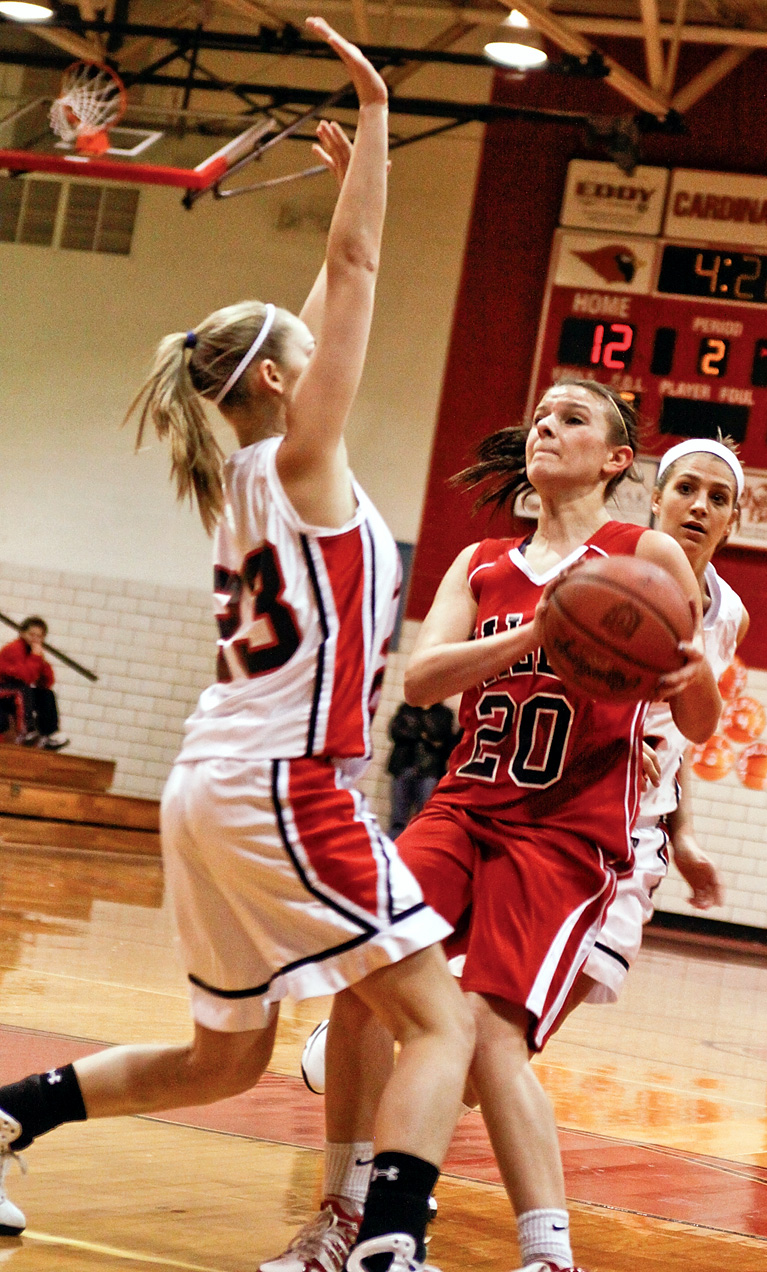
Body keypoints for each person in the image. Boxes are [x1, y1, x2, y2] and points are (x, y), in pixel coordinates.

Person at [0, 22, 474, 1272]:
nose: (329, 362)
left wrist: (331, 211)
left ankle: (5, 1119)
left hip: (216, 784)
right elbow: (358, 269)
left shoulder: (248, 468)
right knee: (440, 1025)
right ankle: (387, 1246)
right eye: (303, 359)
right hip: (282, 786)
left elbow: (316, 305)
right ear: (275, 383)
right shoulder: (302, 464)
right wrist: (376, 119)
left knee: (228, 1057)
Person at [265, 377, 723, 1272]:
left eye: (574, 419)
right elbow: (424, 679)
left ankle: (547, 1253)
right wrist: (537, 633)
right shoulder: (481, 564)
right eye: (541, 417)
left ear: (618, 458)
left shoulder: (649, 557)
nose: (548, 427)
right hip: (463, 807)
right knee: (362, 977)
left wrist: (688, 676)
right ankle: (342, 1215)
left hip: (565, 833)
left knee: (483, 1028)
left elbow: (700, 721)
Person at [572, 437, 748, 1011]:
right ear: (656, 498)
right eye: (686, 489)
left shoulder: (731, 616)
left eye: (717, 498)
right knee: (498, 1014)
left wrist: (684, 835)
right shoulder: (601, 577)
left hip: (639, 831)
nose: (700, 505)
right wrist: (606, 734)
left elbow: (680, 741)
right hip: (567, 802)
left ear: (732, 521)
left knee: (531, 1028)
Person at [387, 700, 456, 837]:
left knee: (424, 817)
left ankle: (415, 853)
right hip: (403, 766)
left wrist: (417, 727)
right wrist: (422, 734)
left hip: (429, 770)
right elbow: (395, 732)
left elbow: (440, 737)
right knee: (398, 819)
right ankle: (392, 852)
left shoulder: (443, 713)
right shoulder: (406, 708)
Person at [0, 617, 69, 750]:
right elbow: (24, 677)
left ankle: (49, 733)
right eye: (31, 634)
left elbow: (47, 682)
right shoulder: (13, 649)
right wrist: (36, 657)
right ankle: (26, 731)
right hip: (3, 690)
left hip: (15, 692)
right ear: (22, 633)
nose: (35, 639)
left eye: (39, 636)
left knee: (47, 694)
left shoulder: (33, 652)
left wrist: (42, 662)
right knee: (22, 689)